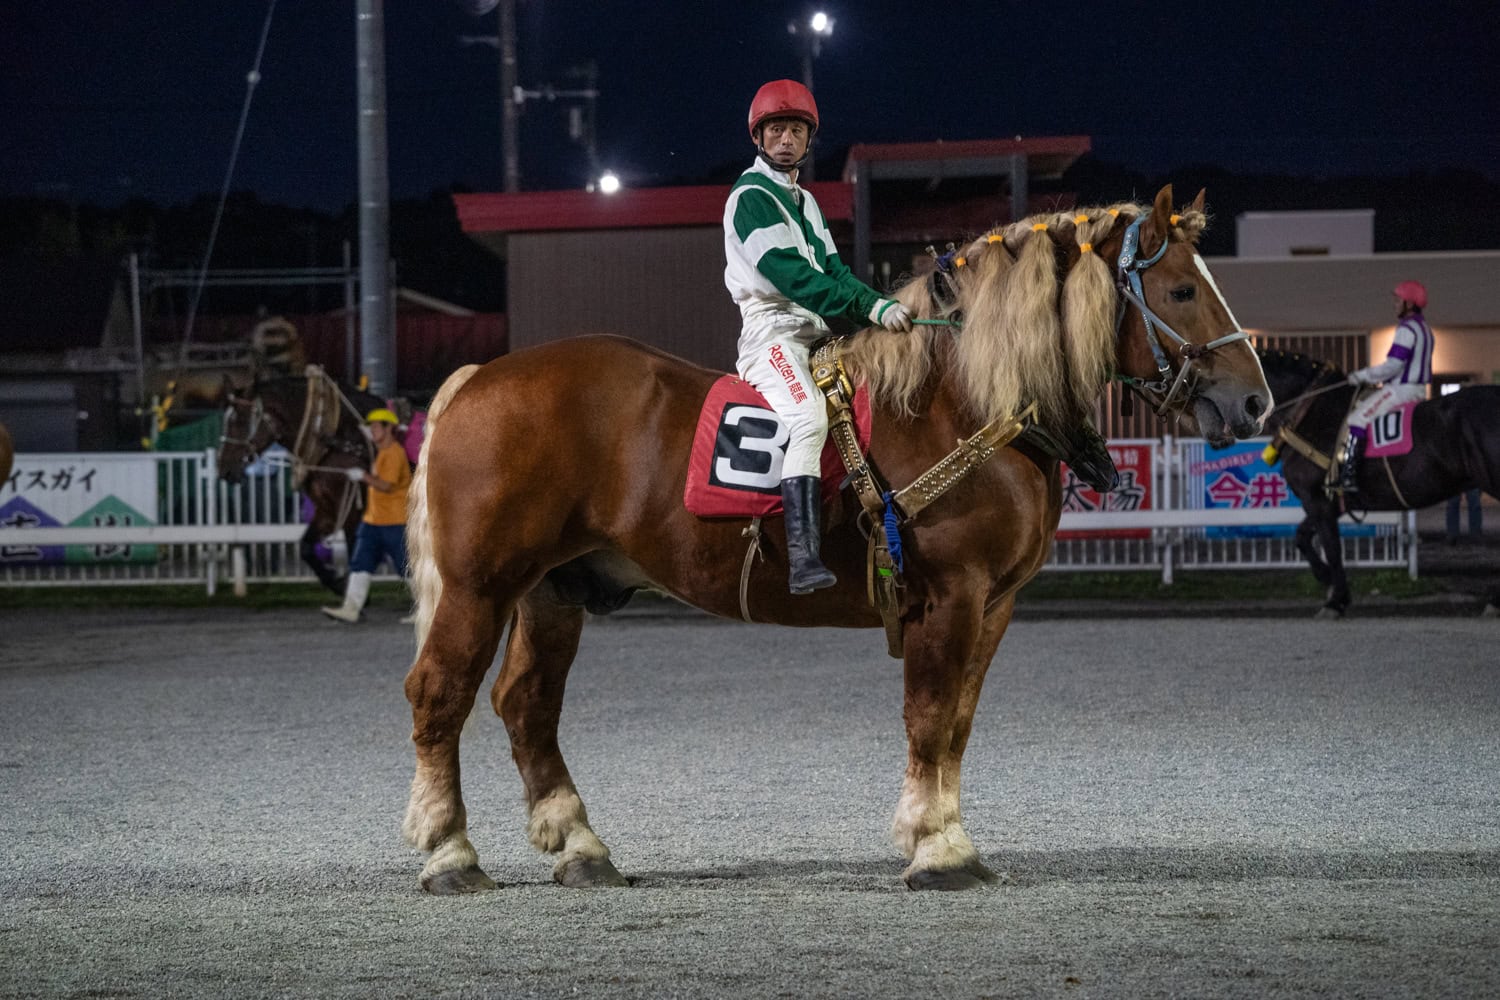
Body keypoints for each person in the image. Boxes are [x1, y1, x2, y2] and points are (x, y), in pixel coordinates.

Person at [723, 79, 913, 593]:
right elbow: (796, 280)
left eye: (796, 131)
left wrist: (880, 304)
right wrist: (868, 307)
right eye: (777, 129)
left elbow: (835, 272)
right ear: (759, 139)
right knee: (807, 418)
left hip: (815, 331)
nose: (786, 139)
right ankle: (802, 558)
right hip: (774, 333)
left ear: (810, 141)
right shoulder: (750, 197)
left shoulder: (805, 202)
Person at [1336, 280, 1434, 494]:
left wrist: (1360, 376)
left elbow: (1393, 366)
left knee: (1356, 419)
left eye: (1398, 300)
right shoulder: (1425, 329)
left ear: (1409, 304)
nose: (1395, 304)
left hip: (1401, 390)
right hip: (1419, 391)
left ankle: (1350, 476)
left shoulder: (1407, 329)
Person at [322, 408, 412, 623]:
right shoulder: (382, 451)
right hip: (374, 520)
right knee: (360, 563)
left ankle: (426, 610)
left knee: (405, 566)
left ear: (389, 428)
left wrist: (362, 476)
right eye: (370, 427)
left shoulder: (394, 453)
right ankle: (351, 608)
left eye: (375, 427)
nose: (371, 431)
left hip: (394, 520)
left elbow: (387, 486)